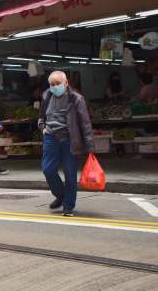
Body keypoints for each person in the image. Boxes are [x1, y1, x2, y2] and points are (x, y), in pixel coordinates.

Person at [38, 71, 95, 217]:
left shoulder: (76, 99)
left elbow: (85, 123)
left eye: (58, 84)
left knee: (70, 173)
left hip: (69, 139)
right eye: (52, 84)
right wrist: (43, 127)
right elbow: (41, 116)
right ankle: (61, 195)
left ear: (66, 83)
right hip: (50, 137)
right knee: (48, 170)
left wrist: (90, 147)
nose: (55, 87)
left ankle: (68, 206)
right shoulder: (46, 95)